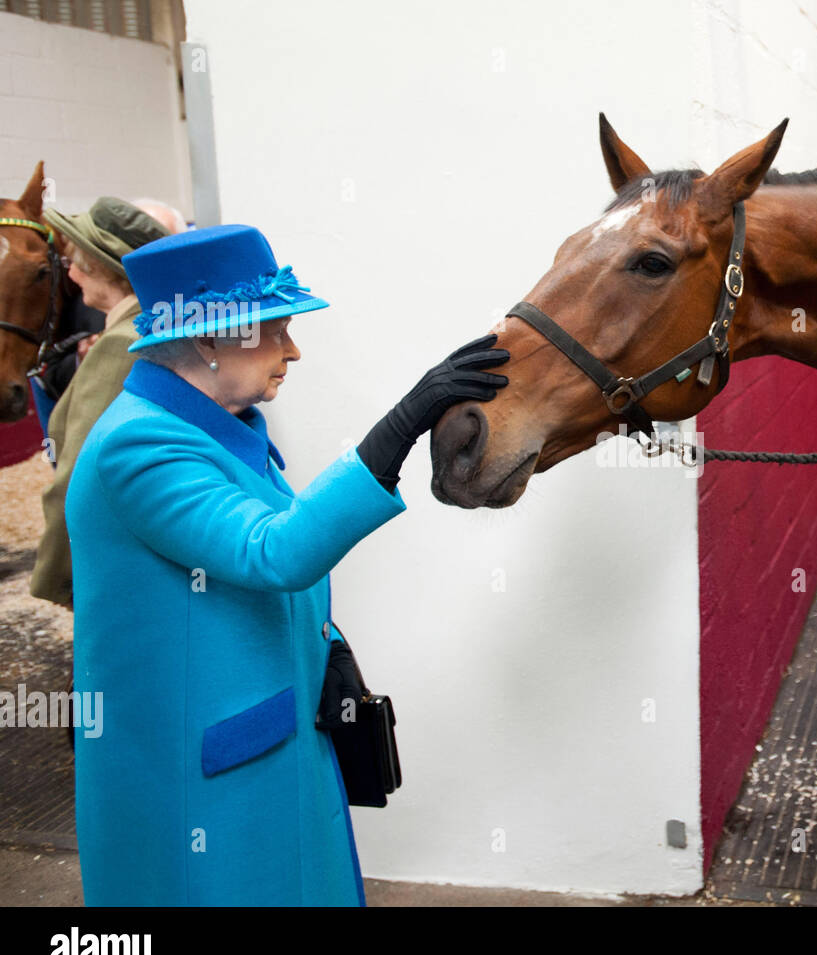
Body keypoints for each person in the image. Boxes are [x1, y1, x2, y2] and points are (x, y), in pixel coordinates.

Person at [65, 223, 509, 905]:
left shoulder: (215, 425)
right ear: (212, 337)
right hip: (202, 787)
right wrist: (404, 421)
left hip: (268, 746)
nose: (293, 350)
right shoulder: (141, 445)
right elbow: (274, 550)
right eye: (275, 327)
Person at [30, 197, 171, 607]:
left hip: (114, 562)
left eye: (76, 260)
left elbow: (78, 471)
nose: (70, 273)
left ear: (101, 268)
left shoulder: (120, 344)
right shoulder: (154, 329)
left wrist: (54, 578)